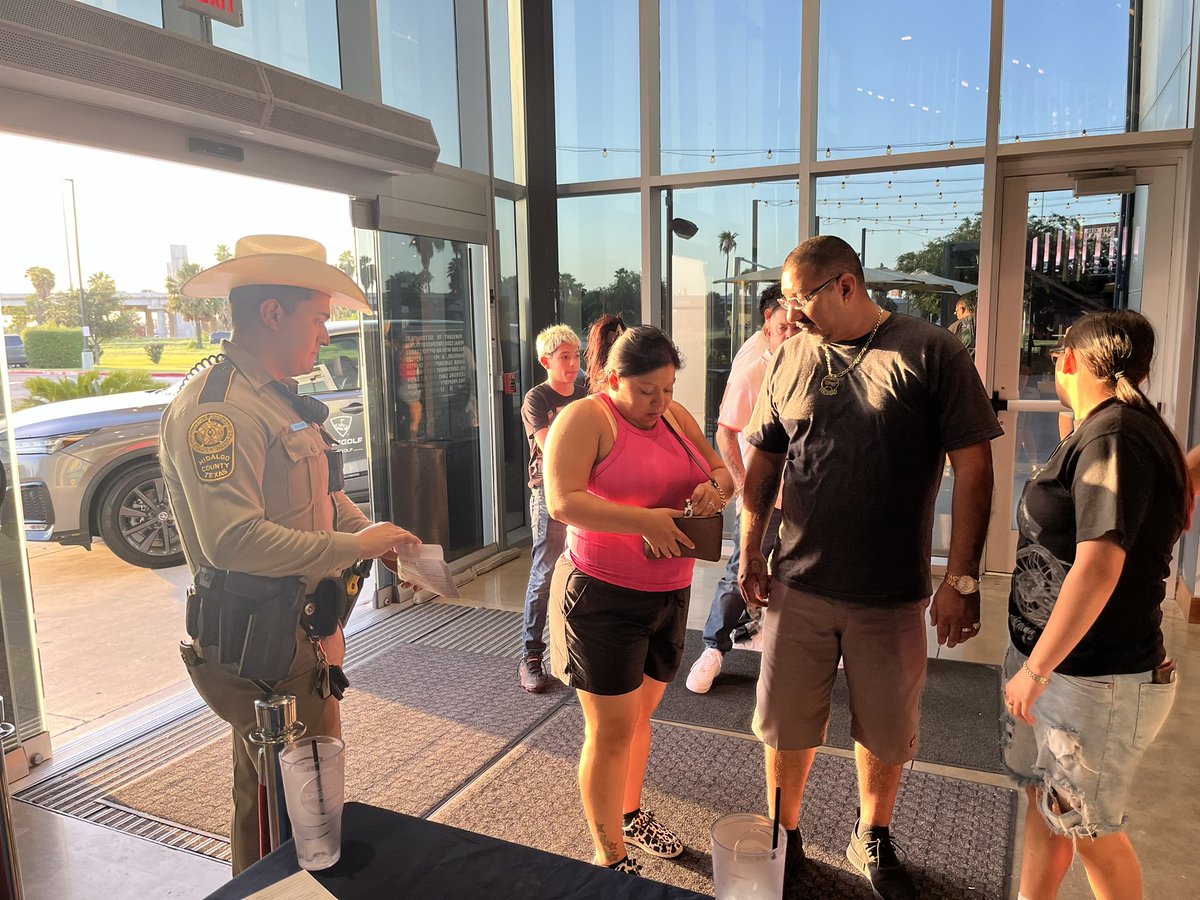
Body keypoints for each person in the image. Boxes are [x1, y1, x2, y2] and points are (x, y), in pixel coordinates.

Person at [738, 235, 1002, 899]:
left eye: (803, 300)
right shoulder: (792, 355)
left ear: (847, 286)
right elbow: (766, 460)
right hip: (798, 580)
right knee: (784, 721)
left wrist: (961, 578)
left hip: (890, 591)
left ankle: (872, 833)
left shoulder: (931, 351)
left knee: (887, 730)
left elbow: (975, 467)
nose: (792, 314)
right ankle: (784, 831)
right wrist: (747, 548)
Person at [160, 235, 420, 874]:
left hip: (304, 630)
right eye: (317, 317)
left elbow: (323, 490)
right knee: (277, 798)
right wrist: (356, 545)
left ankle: (306, 879)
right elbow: (233, 540)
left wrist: (373, 532)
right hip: (260, 639)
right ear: (271, 314)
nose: (326, 333)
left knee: (310, 785)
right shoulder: (216, 410)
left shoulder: (276, 394)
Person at [1003, 310, 1191, 900]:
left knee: (1089, 828)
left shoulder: (1114, 434)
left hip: (1095, 679)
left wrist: (1036, 669)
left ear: (1069, 359)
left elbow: (1100, 564)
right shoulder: (1115, 427)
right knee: (1049, 807)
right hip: (1072, 672)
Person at [544, 326, 734, 875]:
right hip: (602, 594)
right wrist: (642, 522)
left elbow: (725, 473)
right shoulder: (585, 418)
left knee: (640, 718)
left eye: (670, 388)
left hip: (668, 593)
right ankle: (611, 856)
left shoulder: (675, 418)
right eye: (648, 391)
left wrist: (712, 490)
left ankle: (628, 814)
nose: (661, 402)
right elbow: (562, 502)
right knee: (608, 731)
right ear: (613, 379)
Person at [686, 282, 797, 693]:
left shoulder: (818, 368)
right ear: (768, 327)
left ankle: (786, 652)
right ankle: (713, 649)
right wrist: (744, 485)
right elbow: (726, 432)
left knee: (796, 578)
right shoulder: (753, 372)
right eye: (783, 327)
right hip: (765, 500)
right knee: (740, 571)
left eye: (796, 328)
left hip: (810, 499)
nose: (790, 335)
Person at [518, 324, 587, 692]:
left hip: (588, 490)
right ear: (546, 360)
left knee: (584, 570)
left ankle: (577, 651)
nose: (573, 363)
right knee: (545, 571)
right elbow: (553, 449)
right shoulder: (537, 398)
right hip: (549, 492)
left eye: (576, 356)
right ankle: (530, 656)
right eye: (565, 357)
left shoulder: (588, 391)